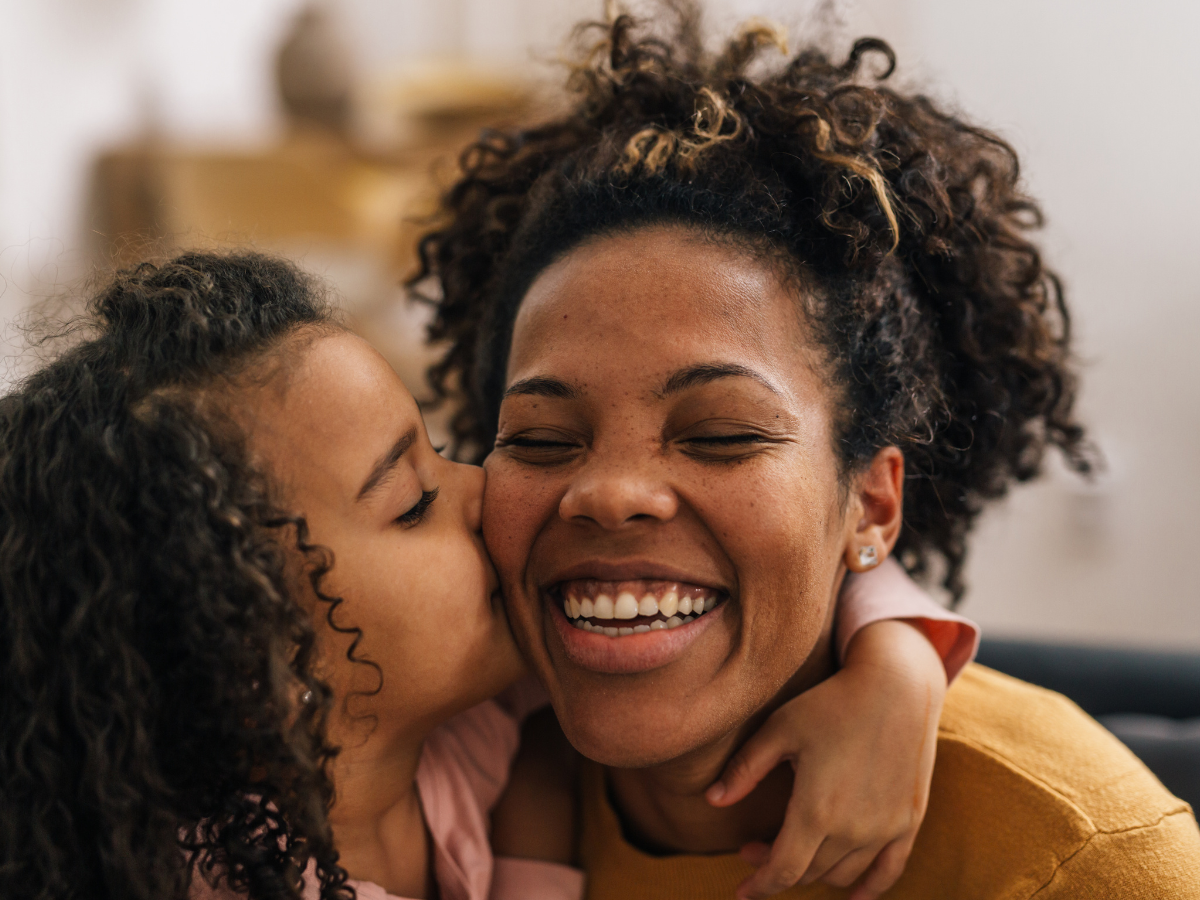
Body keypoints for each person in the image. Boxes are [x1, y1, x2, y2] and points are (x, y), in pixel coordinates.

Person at [413, 4, 1200, 897]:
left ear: (870, 505)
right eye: (542, 440)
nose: (609, 492)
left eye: (719, 434)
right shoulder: (439, 773)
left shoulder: (1083, 862)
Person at [0, 252, 975, 900]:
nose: (485, 489)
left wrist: (899, 664)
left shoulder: (459, 729)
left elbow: (809, 545)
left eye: (443, 453)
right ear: (245, 648)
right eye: (412, 500)